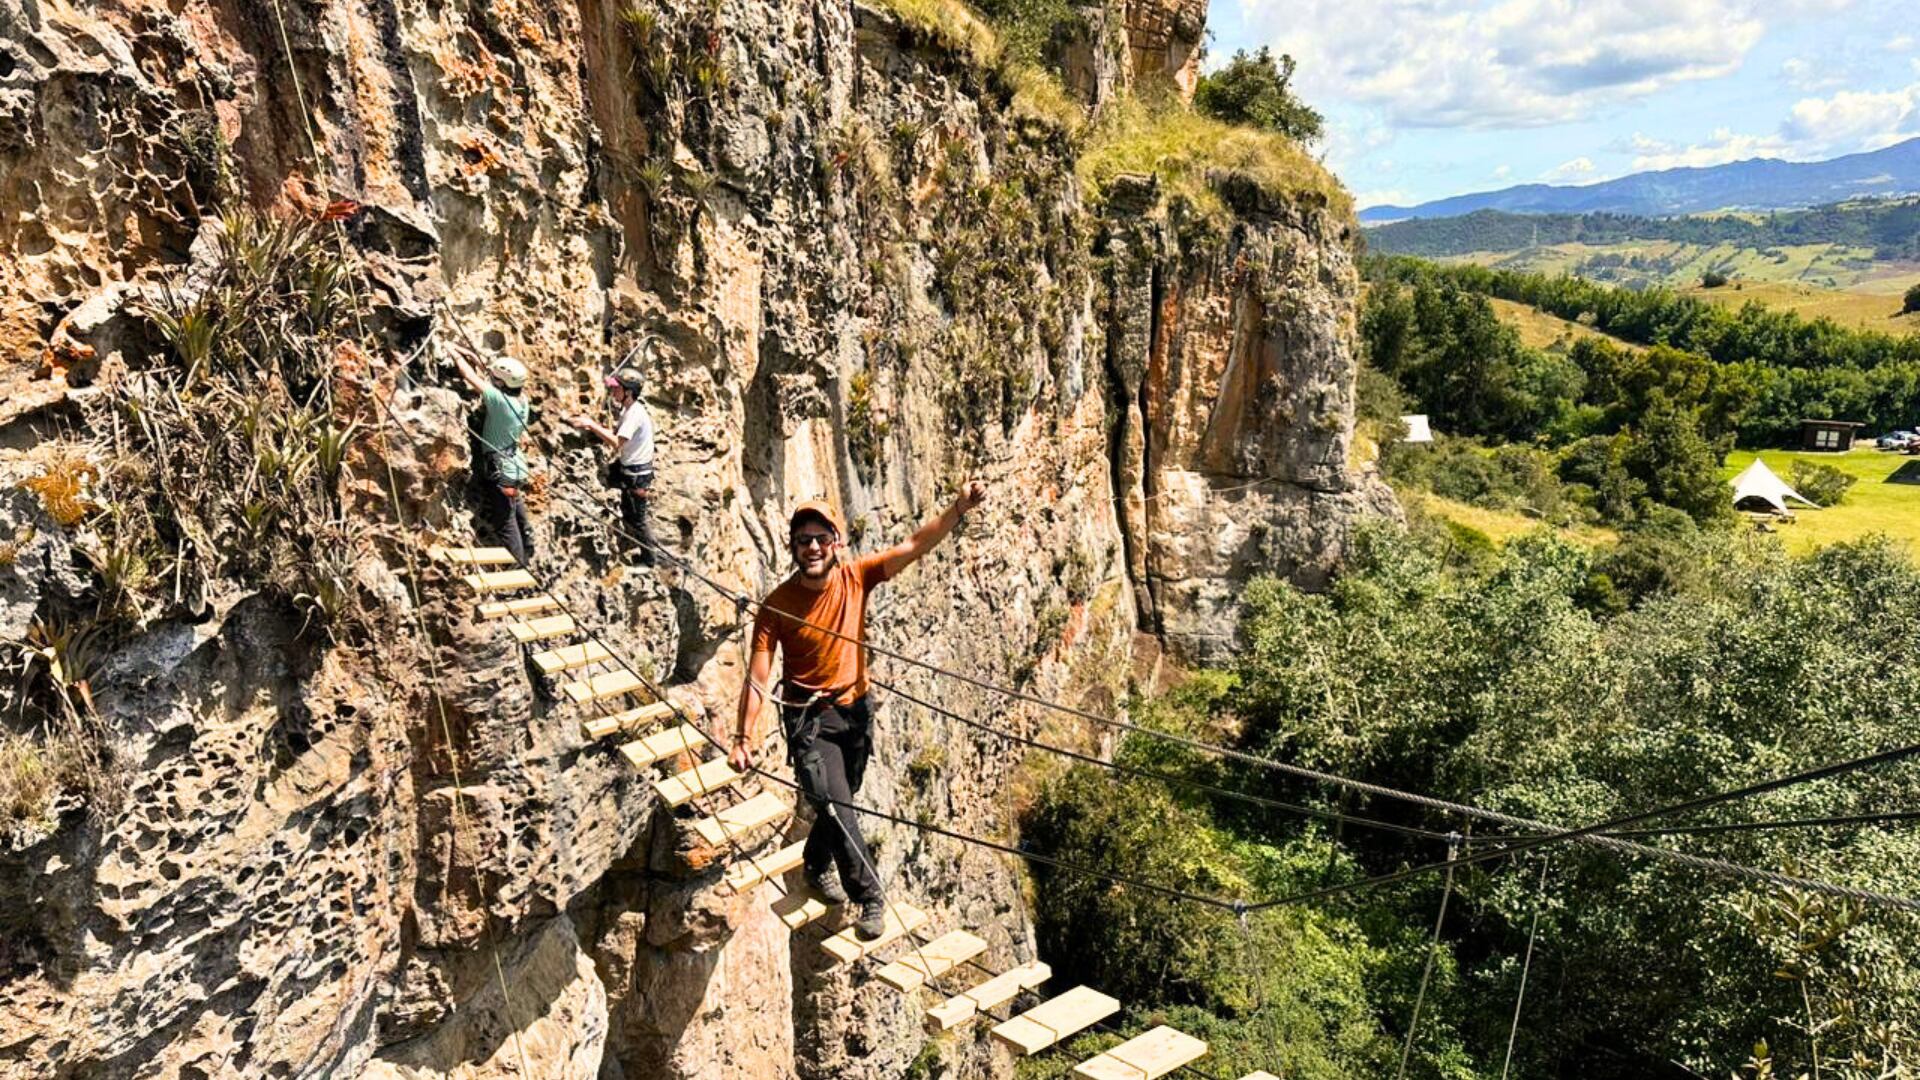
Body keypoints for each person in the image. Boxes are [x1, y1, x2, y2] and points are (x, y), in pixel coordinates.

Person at [731, 482, 988, 939]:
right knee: (835, 807)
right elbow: (757, 676)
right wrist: (743, 737)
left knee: (841, 799)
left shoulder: (857, 577)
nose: (812, 547)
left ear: (836, 543)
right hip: (809, 721)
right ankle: (869, 896)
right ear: (793, 547)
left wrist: (959, 508)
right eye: (803, 539)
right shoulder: (775, 608)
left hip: (854, 714)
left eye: (820, 538)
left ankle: (815, 860)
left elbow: (914, 545)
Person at [568, 366, 659, 565]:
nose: (613, 392)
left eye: (617, 388)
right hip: (631, 468)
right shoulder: (630, 409)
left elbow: (617, 442)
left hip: (636, 474)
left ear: (629, 392)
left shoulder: (634, 413)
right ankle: (638, 549)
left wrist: (591, 424)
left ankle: (649, 560)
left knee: (637, 518)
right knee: (627, 508)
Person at [455, 347, 534, 566]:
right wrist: (468, 352)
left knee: (505, 523)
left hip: (500, 471)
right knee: (515, 509)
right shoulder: (522, 400)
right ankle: (529, 548)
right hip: (515, 466)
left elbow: (469, 376)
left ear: (501, 384)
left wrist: (455, 354)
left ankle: (519, 566)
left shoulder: (498, 401)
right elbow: (490, 378)